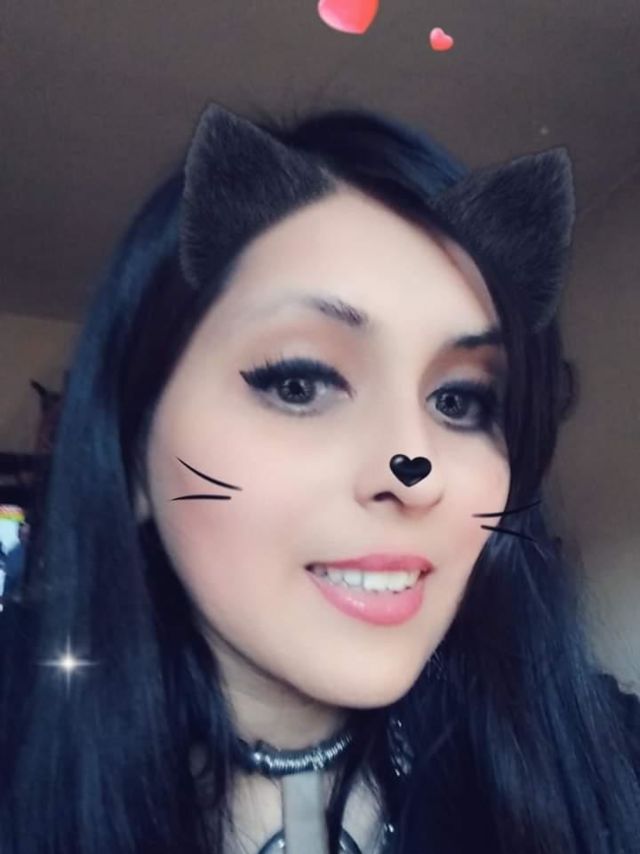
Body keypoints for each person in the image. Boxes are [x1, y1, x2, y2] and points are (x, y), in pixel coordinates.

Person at [0, 102, 638, 854]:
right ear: (133, 451)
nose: (413, 470)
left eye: (461, 400)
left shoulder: (596, 760)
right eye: (299, 383)